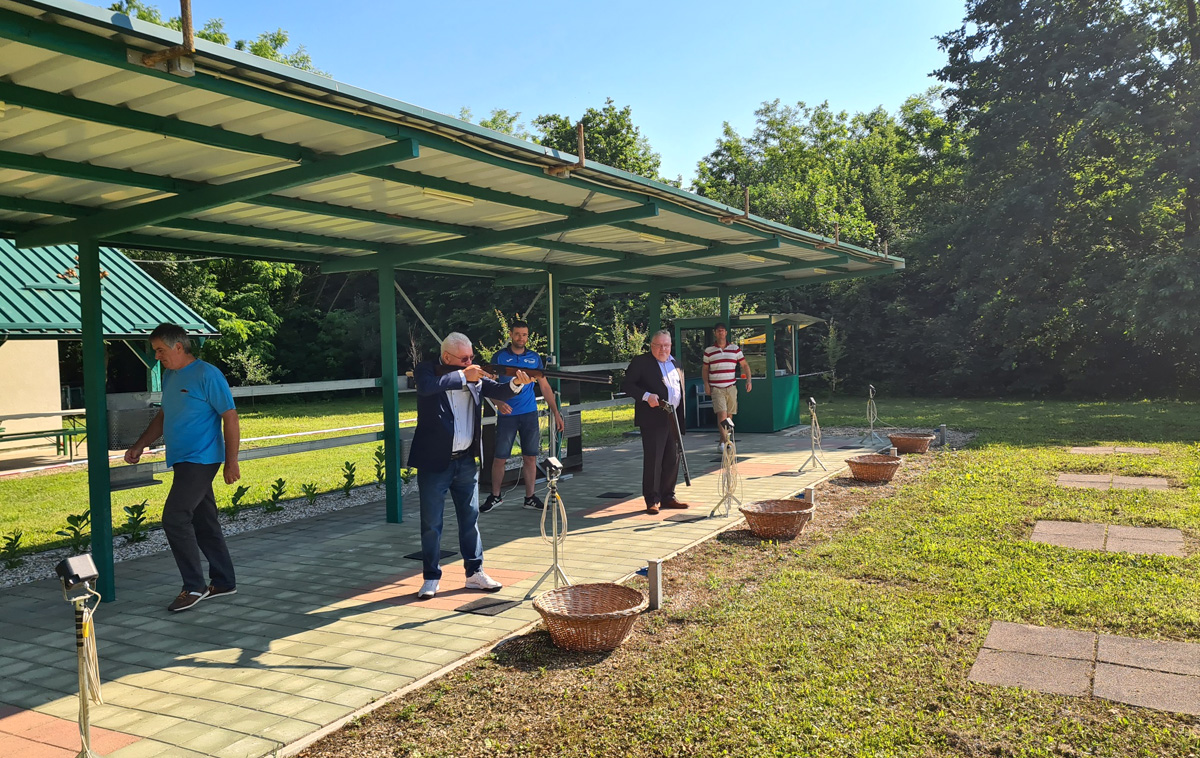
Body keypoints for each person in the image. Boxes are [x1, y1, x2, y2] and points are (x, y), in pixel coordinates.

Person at [124, 323, 240, 613]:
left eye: (161, 351)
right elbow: (165, 415)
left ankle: (194, 586)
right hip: (182, 458)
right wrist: (140, 445)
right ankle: (224, 581)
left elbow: (231, 418)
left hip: (201, 459)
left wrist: (232, 461)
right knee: (204, 521)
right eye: (155, 352)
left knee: (175, 517)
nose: (157, 357)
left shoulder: (207, 374)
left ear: (179, 346)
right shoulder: (170, 376)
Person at [407, 332, 532, 599]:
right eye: (464, 359)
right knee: (431, 523)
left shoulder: (474, 376)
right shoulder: (427, 370)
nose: (470, 362)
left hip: (465, 460)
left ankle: (475, 573)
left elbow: (498, 391)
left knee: (470, 519)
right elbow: (426, 387)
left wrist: (517, 385)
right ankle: (431, 577)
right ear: (446, 357)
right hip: (434, 462)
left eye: (471, 357)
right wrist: (465, 375)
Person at [483, 320, 564, 513]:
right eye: (518, 334)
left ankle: (530, 497)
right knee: (500, 458)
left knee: (530, 457)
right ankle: (495, 496)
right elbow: (487, 383)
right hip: (507, 415)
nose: (521, 338)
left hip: (529, 414)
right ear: (510, 334)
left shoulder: (534, 357)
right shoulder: (500, 356)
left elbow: (545, 387)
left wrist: (556, 413)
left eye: (525, 334)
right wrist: (498, 402)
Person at [621, 330, 691, 514]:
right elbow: (627, 384)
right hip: (653, 418)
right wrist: (645, 396)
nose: (663, 349)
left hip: (673, 417)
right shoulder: (641, 362)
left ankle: (668, 496)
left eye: (666, 345)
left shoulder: (676, 363)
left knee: (672, 458)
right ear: (651, 346)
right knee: (654, 459)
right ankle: (652, 499)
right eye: (659, 345)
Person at [702, 322, 753, 450]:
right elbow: (705, 369)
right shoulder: (709, 351)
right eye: (718, 330)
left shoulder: (735, 349)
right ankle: (727, 443)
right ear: (715, 333)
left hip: (731, 387)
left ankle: (722, 441)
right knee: (722, 415)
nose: (721, 333)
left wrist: (749, 380)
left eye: (723, 330)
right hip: (716, 388)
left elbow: (745, 365)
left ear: (726, 333)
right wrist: (706, 384)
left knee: (729, 415)